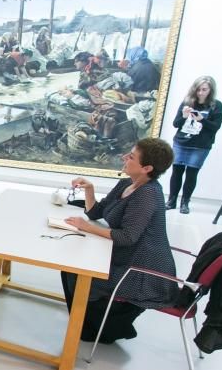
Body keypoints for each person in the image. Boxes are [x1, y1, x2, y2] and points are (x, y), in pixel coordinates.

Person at [63, 138, 178, 343]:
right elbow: (98, 211)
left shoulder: (148, 194)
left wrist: (88, 227)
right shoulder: (127, 183)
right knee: (70, 266)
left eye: (131, 157)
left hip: (141, 270)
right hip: (125, 257)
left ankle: (94, 328)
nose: (125, 158)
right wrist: (89, 189)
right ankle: (84, 322)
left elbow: (127, 237)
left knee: (77, 272)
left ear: (147, 168)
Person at [167, 76, 222, 214]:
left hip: (200, 145)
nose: (200, 93)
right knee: (177, 171)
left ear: (210, 90)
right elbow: (176, 124)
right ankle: (171, 200)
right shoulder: (187, 102)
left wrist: (202, 120)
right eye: (198, 89)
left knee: (192, 173)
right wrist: (184, 116)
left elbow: (215, 127)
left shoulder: (216, 106)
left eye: (204, 90)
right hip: (181, 142)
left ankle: (185, 202)